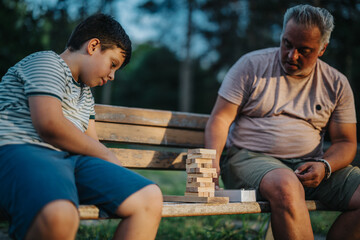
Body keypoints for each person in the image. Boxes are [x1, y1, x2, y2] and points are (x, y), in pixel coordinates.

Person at [0, 13, 162, 240]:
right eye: (113, 64)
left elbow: (90, 142)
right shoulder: (47, 62)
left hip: (70, 161)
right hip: (22, 149)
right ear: (93, 46)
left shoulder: (85, 95)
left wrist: (111, 168)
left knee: (149, 197)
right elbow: (49, 124)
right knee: (59, 215)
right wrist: (107, 154)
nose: (112, 75)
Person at [205, 4, 360, 240]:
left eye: (304, 50)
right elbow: (220, 117)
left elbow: (346, 142)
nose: (291, 55)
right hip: (249, 158)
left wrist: (325, 166)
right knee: (286, 186)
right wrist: (211, 163)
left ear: (322, 49)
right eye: (287, 43)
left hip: (311, 166)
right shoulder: (251, 65)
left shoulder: (336, 84)